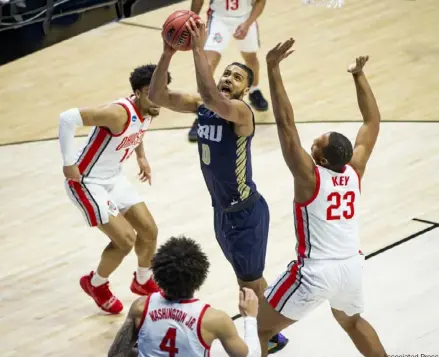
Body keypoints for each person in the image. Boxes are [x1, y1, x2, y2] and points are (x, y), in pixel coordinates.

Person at [148, 19, 288, 354]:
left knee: (247, 282)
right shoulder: (203, 107)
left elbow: (210, 95)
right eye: (226, 73)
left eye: (236, 77)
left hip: (245, 213)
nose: (228, 78)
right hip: (222, 211)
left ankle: (267, 337)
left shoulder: (241, 112)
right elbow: (156, 95)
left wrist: (197, 47)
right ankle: (271, 329)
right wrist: (168, 53)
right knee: (248, 279)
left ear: (244, 91)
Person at [256, 39, 387, 357]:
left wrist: (272, 69)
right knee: (353, 323)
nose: (311, 141)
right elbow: (372, 123)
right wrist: (359, 75)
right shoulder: (354, 171)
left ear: (324, 160)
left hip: (316, 271)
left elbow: (286, 125)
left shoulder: (309, 177)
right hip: (351, 267)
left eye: (317, 143)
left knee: (257, 328)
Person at [58, 64, 170, 314]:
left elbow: (139, 131)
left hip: (114, 177)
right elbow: (67, 118)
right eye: (156, 92)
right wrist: (68, 163)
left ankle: (142, 281)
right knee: (125, 240)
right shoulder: (117, 114)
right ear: (139, 92)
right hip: (86, 181)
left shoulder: (150, 108)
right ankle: (96, 284)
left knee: (149, 231)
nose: (161, 98)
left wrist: (141, 156)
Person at [107, 236, 262, 357]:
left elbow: (116, 354)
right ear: (200, 277)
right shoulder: (215, 320)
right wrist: (250, 317)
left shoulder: (141, 306)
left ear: (157, 273)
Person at [187, 0, 269, 142]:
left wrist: (248, 24)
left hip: (245, 17)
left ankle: (254, 90)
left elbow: (261, 1)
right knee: (207, 65)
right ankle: (202, 113)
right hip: (219, 19)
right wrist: (191, 18)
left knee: (251, 59)